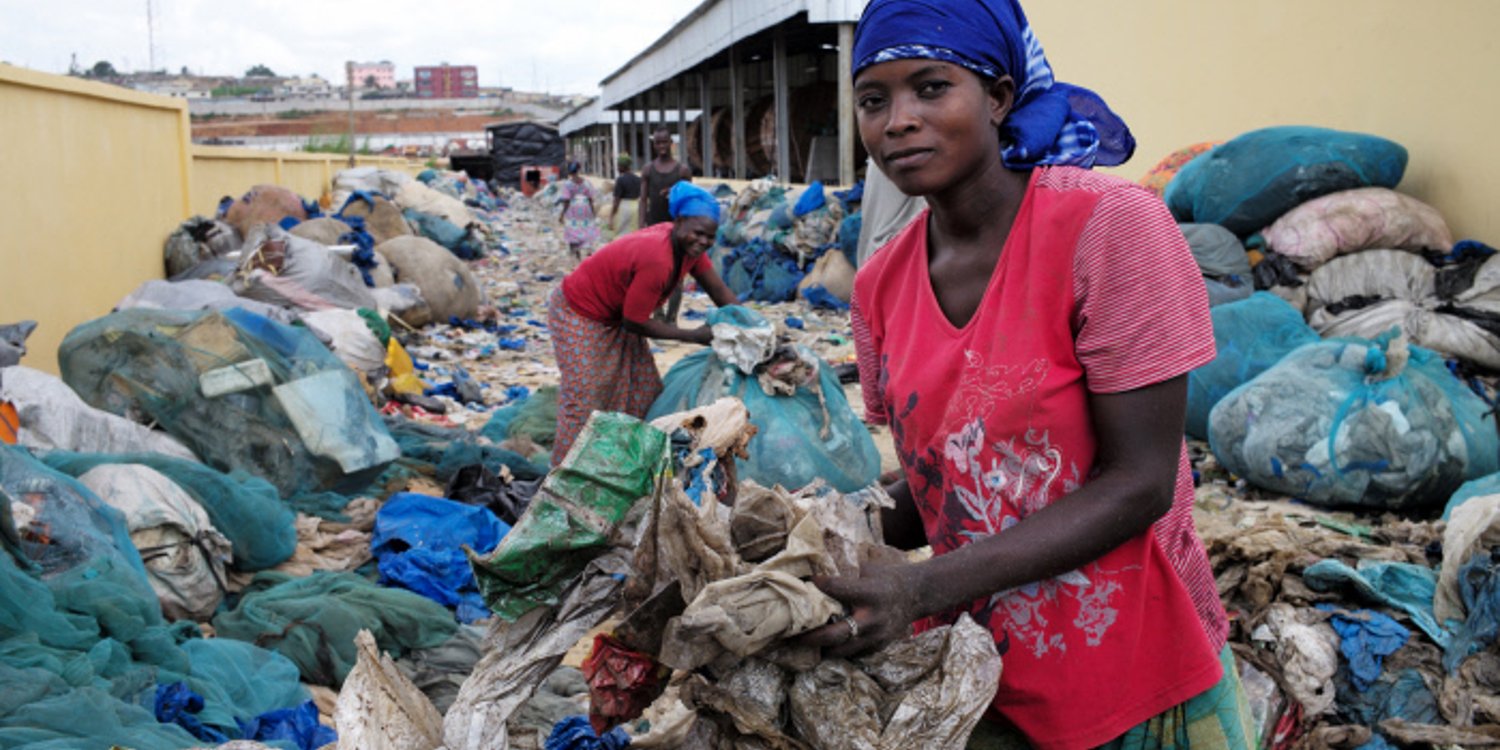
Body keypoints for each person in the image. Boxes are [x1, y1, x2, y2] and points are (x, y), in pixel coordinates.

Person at [798, 1, 1254, 749]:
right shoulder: (881, 284)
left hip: (1134, 672)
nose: (897, 120)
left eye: (931, 87)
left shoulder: (1109, 226)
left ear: (1001, 96)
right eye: (873, 100)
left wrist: (920, 586)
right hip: (982, 675)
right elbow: (943, 480)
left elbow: (1141, 481)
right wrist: (816, 532)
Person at [548, 181, 739, 465]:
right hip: (580, 312)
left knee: (643, 388)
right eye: (698, 233)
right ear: (679, 222)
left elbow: (719, 291)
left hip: (615, 314)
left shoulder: (689, 252)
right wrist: (694, 335)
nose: (704, 242)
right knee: (585, 396)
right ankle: (563, 472)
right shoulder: (658, 258)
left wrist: (752, 324)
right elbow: (634, 322)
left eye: (711, 237)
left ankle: (622, 458)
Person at [639, 127, 693, 228]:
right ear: (654, 144)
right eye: (658, 143)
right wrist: (641, 225)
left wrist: (674, 192)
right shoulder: (648, 169)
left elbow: (688, 200)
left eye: (664, 142)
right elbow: (643, 200)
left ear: (671, 142)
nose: (661, 146)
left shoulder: (682, 170)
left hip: (676, 225)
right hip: (653, 224)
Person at [557, 161, 601, 260]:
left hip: (573, 208)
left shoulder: (568, 184)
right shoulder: (587, 183)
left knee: (573, 228)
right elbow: (591, 199)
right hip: (585, 207)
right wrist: (593, 212)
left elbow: (566, 201)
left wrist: (562, 214)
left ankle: (576, 255)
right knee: (586, 227)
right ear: (578, 170)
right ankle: (588, 251)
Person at [608, 153, 643, 240]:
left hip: (624, 208)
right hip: (636, 207)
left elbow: (616, 200)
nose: (617, 168)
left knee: (621, 234)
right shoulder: (638, 179)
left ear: (622, 167)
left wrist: (612, 215)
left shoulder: (620, 180)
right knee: (634, 234)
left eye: (618, 166)